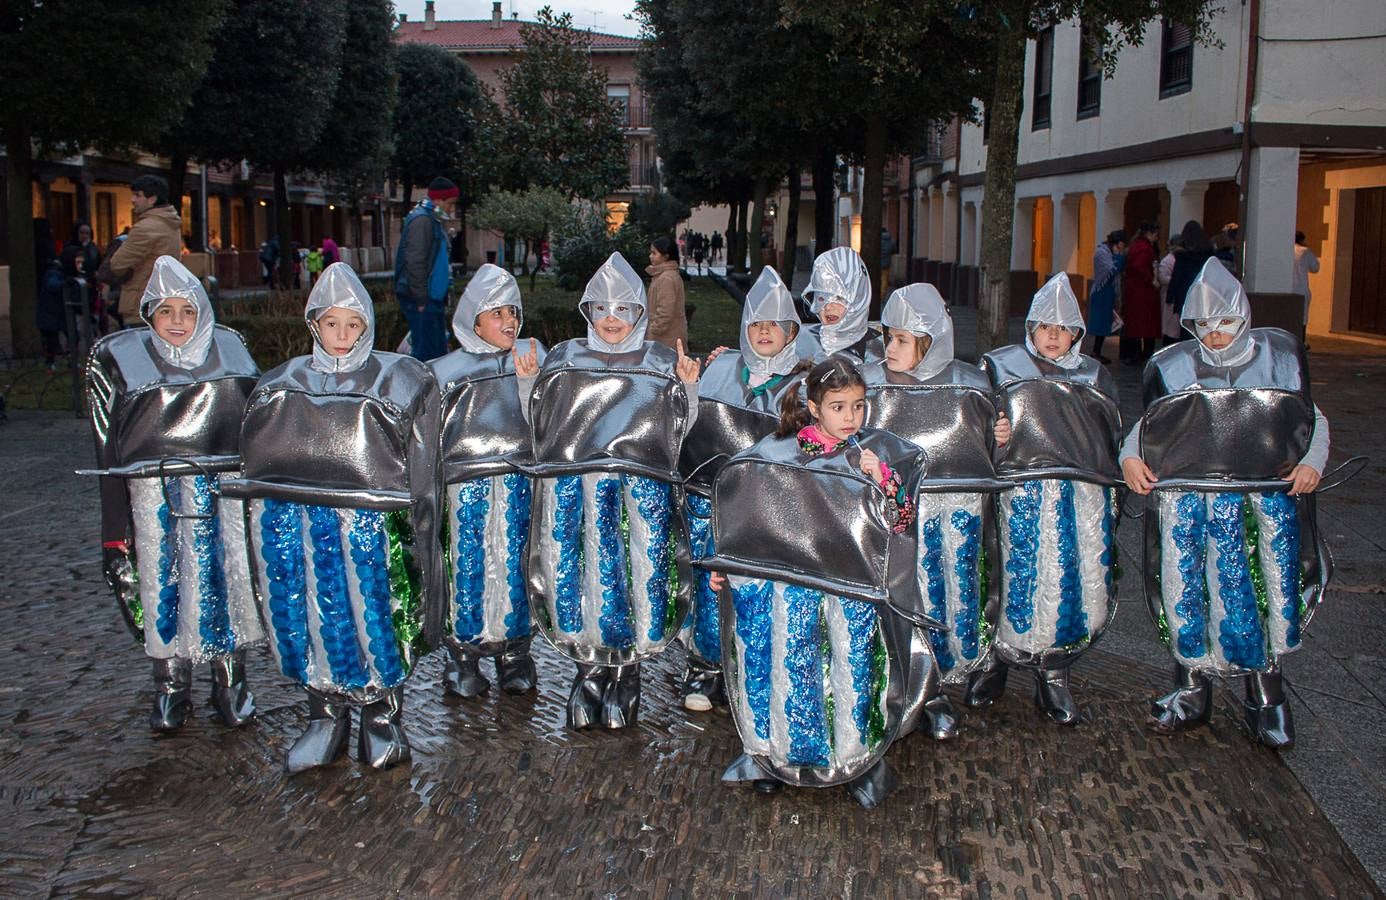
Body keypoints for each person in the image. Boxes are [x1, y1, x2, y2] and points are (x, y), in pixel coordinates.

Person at [222, 263, 445, 773]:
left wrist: (421, 531)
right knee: (309, 615)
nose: (342, 336)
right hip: (301, 528)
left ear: (367, 326)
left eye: (353, 324)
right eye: (331, 323)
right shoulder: (281, 384)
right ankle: (324, 716)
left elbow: (424, 463)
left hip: (374, 530)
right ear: (313, 325)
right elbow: (256, 459)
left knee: (378, 612)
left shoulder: (403, 379)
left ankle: (380, 716)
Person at [1120, 258, 1330, 749]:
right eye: (1205, 325)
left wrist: (1311, 462)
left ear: (1244, 317)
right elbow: (1151, 424)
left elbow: (1310, 418)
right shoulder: (1173, 368)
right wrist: (1131, 457)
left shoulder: (1278, 359)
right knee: (1188, 592)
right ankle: (1192, 688)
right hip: (1191, 507)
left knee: (1256, 593)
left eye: (1225, 323)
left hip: (1260, 507)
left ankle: (1266, 694)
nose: (1215, 335)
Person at [701, 357, 926, 807]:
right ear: (815, 407)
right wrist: (727, 566)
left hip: (851, 588)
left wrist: (881, 481)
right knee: (785, 663)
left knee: (853, 667)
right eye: (839, 407)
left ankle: (855, 757)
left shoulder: (874, 455)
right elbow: (746, 513)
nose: (851, 417)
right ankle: (774, 755)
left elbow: (902, 523)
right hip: (792, 584)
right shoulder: (777, 453)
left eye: (859, 406)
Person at [514, 253, 700, 731]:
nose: (612, 320)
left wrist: (687, 389)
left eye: (623, 310)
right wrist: (528, 383)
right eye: (602, 309)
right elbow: (540, 424)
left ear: (639, 313)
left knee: (639, 580)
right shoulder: (566, 360)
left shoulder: (658, 363)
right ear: (589, 312)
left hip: (641, 496)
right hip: (577, 494)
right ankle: (589, 672)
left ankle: (626, 672)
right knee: (579, 580)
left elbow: (680, 429)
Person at [84, 255, 264, 733]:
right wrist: (113, 528)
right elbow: (109, 447)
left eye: (188, 310)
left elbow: (257, 430)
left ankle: (231, 680)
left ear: (204, 311)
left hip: (221, 493)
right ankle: (171, 683)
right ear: (148, 316)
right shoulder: (120, 360)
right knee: (163, 584)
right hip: (153, 497)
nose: (178, 322)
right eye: (166, 312)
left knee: (228, 582)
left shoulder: (232, 354)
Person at [863, 283, 1012, 741]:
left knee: (951, 592)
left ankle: (941, 684)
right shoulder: (869, 382)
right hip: (897, 513)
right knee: (901, 597)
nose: (889, 347)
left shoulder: (968, 384)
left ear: (929, 342)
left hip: (954, 512)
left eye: (902, 340)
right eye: (888, 337)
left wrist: (999, 439)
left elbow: (989, 453)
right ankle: (903, 684)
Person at [971, 272, 1122, 726]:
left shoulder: (1094, 374)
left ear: (1076, 333)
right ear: (1030, 328)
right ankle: (994, 660)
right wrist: (992, 439)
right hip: (1014, 492)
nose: (1052, 337)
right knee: (1007, 572)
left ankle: (1053, 672)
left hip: (1076, 496)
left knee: (1063, 578)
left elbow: (1108, 431)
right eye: (1044, 327)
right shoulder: (1000, 367)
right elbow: (975, 424)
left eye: (1062, 329)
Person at [678, 267, 805, 713]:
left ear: (792, 331)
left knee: (753, 592)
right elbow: (686, 427)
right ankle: (706, 666)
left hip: (763, 514)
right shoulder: (718, 371)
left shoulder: (804, 388)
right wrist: (690, 389)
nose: (764, 332)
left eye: (775, 324)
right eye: (756, 323)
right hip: (707, 503)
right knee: (707, 586)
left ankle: (749, 671)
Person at [429, 264, 544, 700]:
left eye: (513, 312)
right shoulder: (445, 372)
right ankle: (463, 655)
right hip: (464, 492)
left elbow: (552, 419)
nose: (508, 322)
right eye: (496, 314)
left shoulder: (536, 360)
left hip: (518, 485)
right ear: (473, 320)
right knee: (467, 570)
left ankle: (515, 652)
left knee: (517, 566)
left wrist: (530, 381)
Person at [395, 177, 456, 361]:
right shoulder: (422, 220)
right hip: (422, 299)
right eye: (450, 204)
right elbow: (415, 262)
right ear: (439, 200)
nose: (451, 209)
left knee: (436, 349)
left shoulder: (430, 218)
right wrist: (421, 298)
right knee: (427, 352)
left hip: (430, 297)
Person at [100, 175, 182, 310]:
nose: (133, 200)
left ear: (152, 199)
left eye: (138, 195)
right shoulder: (171, 223)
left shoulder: (144, 228)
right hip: (165, 297)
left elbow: (117, 265)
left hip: (141, 300)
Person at [798, 246, 885, 364]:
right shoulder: (805, 342)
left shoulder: (879, 348)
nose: (828, 307)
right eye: (821, 299)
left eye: (839, 298)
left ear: (858, 299)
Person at [1121, 222, 1161, 363]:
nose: (1156, 237)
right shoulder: (1145, 249)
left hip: (1135, 291)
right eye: (1155, 234)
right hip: (1143, 293)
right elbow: (1141, 268)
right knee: (1144, 325)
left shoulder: (1136, 246)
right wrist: (1152, 280)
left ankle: (1136, 353)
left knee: (1136, 325)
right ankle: (1142, 354)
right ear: (1149, 233)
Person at [1087, 230, 1127, 364]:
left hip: (1108, 292)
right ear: (1118, 243)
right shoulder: (1102, 253)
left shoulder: (1110, 253)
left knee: (1104, 324)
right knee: (1099, 323)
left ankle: (1097, 351)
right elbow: (1111, 269)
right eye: (1122, 244)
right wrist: (1119, 257)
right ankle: (1095, 351)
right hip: (1101, 292)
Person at [1166, 220, 1214, 328]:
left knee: (1186, 330)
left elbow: (1176, 277)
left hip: (1185, 295)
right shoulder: (1208, 254)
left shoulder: (1182, 256)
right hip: (1203, 295)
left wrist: (1170, 297)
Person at [645, 234, 687, 351]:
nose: (650, 256)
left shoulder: (666, 278)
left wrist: (654, 330)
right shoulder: (664, 275)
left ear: (666, 256)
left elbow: (666, 311)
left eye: (654, 253)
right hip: (667, 337)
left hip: (666, 340)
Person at [1156, 234, 1182, 346]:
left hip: (1176, 296)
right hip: (1169, 297)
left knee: (1173, 326)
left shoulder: (1178, 259)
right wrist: (1177, 280)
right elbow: (1163, 278)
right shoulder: (1167, 260)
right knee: (1170, 326)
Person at [1293, 231, 1320, 329]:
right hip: (1301, 289)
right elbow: (1315, 268)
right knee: (1302, 319)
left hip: (1288, 289)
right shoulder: (1305, 251)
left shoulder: (1286, 250)